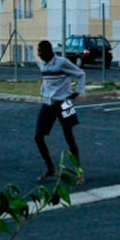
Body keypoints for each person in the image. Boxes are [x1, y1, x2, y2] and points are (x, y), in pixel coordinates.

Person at [35, 40, 85, 184]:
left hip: (64, 103)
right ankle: (51, 169)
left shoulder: (62, 62)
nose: (40, 55)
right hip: (48, 103)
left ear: (50, 51)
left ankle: (79, 173)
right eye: (39, 52)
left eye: (42, 52)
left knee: (69, 137)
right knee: (38, 137)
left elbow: (80, 74)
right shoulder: (42, 64)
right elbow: (47, 82)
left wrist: (78, 92)